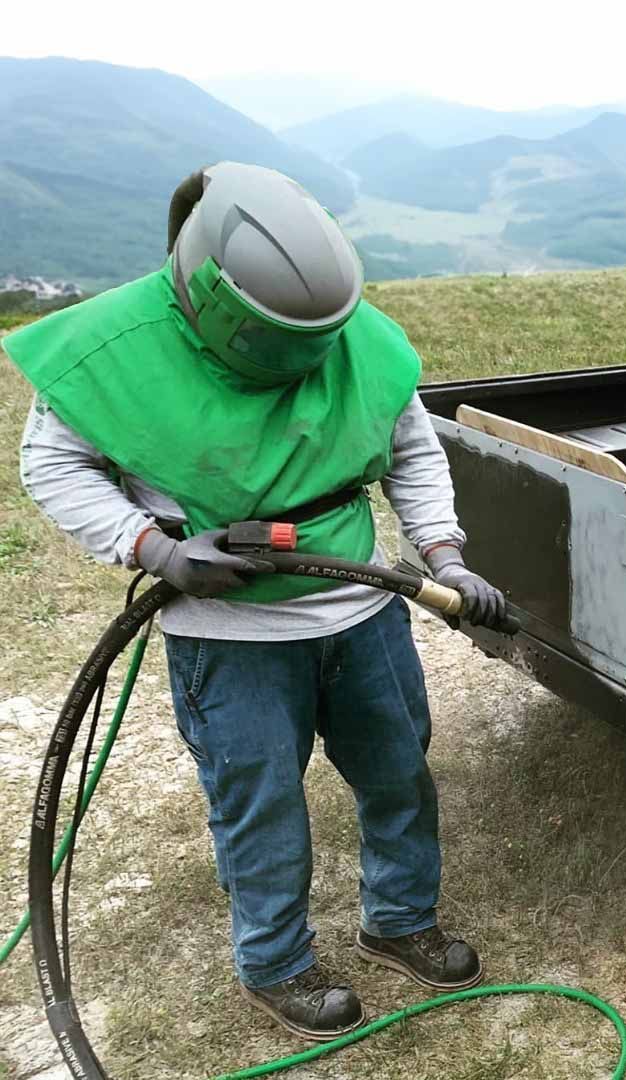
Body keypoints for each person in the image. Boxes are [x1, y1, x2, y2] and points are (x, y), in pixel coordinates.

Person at [7, 162, 506, 1042]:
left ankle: (399, 920)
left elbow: (411, 446)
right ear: (209, 295)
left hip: (361, 607)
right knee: (260, 798)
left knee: (398, 771)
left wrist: (446, 554)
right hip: (228, 635)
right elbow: (53, 464)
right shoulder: (112, 354)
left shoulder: (355, 336)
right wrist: (154, 548)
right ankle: (275, 962)